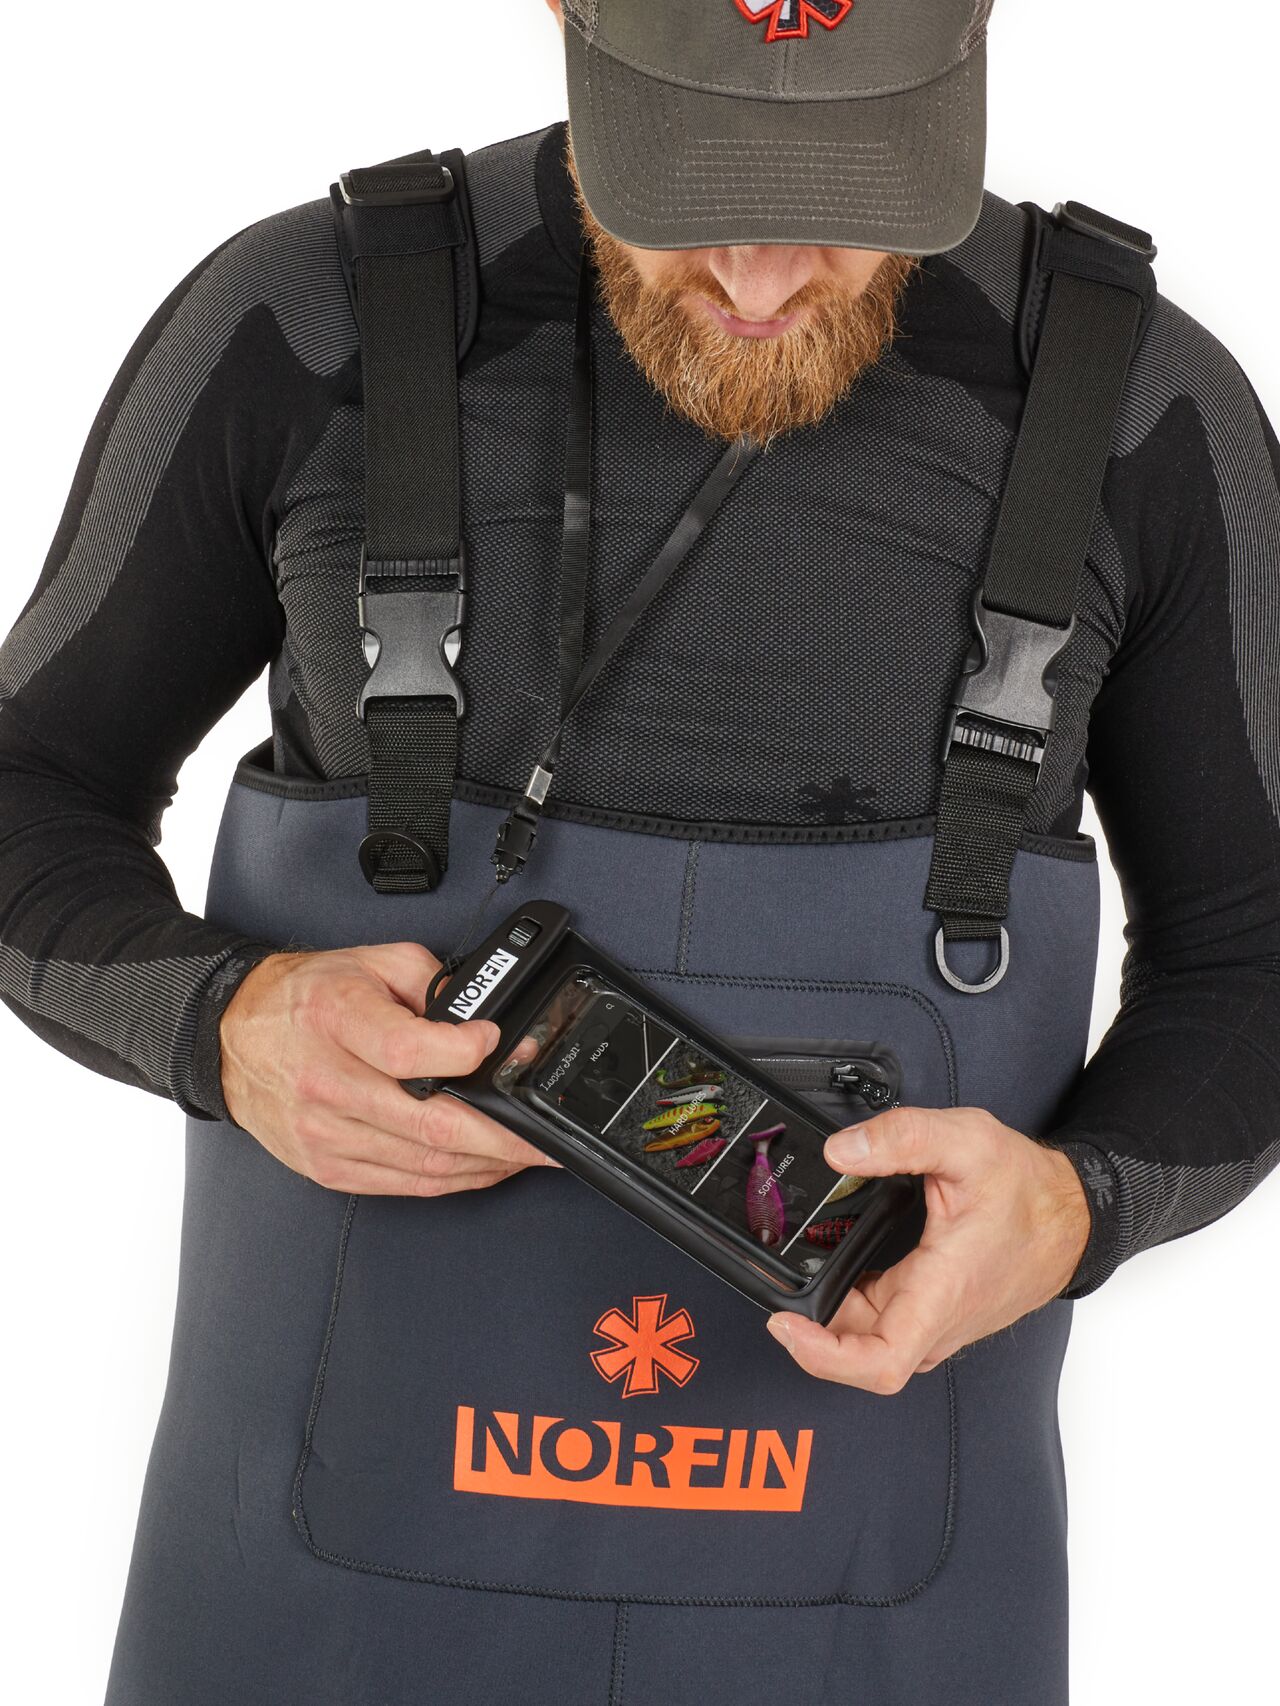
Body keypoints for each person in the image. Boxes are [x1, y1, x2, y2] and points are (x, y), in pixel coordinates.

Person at [1, 1, 1277, 1701]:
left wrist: (1075, 1207)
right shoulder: (307, 326)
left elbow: (1254, 956)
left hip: (881, 1624)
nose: (757, 275)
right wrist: (218, 1021)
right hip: (305, 1617)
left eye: (838, 196)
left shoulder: (1138, 411)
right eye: (693, 187)